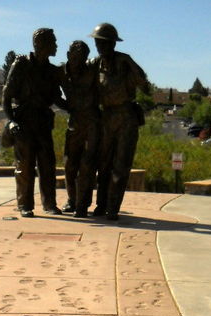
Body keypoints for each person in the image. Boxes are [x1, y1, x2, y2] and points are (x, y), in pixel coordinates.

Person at [90, 23, 149, 221]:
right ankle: (101, 204)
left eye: (105, 43)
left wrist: (130, 63)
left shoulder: (124, 63)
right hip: (105, 117)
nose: (101, 47)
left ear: (113, 44)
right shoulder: (94, 64)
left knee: (121, 164)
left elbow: (145, 85)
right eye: (98, 43)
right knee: (103, 163)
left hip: (126, 117)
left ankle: (113, 207)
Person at [2, 28, 64, 217]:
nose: (56, 46)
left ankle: (50, 204)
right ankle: (25, 205)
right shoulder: (22, 64)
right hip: (24, 120)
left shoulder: (53, 71)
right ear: (40, 45)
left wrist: (79, 109)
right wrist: (11, 121)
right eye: (53, 42)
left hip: (43, 121)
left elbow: (57, 99)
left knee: (48, 164)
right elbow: (7, 95)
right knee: (25, 165)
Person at [60, 41, 100, 217]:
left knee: (87, 164)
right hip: (74, 123)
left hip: (92, 122)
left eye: (83, 58)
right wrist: (68, 107)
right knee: (69, 165)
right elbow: (51, 94)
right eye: (76, 58)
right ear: (69, 56)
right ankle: (72, 200)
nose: (79, 62)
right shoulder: (60, 73)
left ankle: (83, 204)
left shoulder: (92, 71)